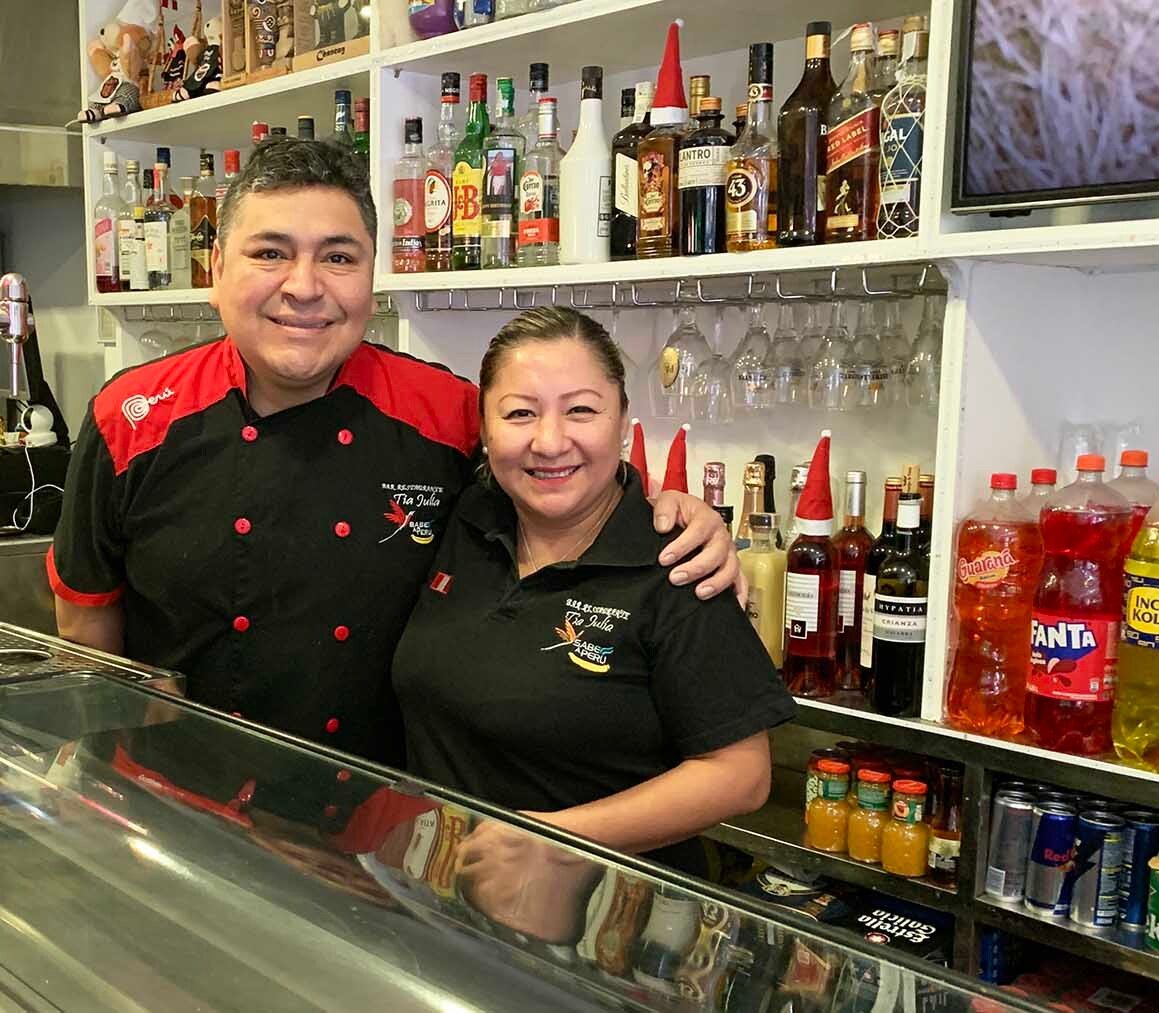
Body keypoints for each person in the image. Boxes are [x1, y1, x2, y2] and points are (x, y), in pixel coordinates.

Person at [49, 139, 739, 777]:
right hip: (176, 796)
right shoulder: (130, 416)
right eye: (270, 253)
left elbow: (557, 476)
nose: (305, 286)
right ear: (216, 272)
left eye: (339, 257)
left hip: (375, 821)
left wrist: (669, 508)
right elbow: (86, 629)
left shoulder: (442, 410)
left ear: (369, 282)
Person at [393, 306, 796, 888]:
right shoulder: (464, 518)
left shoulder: (675, 562)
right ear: (483, 428)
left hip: (610, 922)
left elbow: (740, 774)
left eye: (581, 409)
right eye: (520, 413)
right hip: (443, 897)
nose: (550, 441)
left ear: (622, 420)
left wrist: (555, 840)